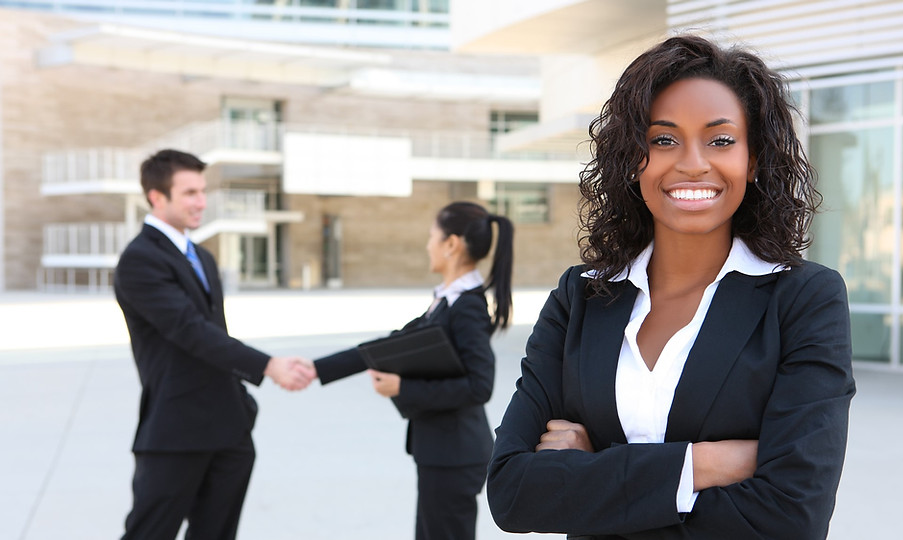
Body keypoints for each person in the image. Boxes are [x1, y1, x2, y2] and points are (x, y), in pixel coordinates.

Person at [485, 35, 856, 540]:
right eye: (663, 140)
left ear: (754, 158)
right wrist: (705, 463)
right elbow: (512, 493)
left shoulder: (803, 299)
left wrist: (597, 476)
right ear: (632, 159)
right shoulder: (581, 298)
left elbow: (792, 514)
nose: (692, 163)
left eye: (721, 140)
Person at [114, 148, 316, 540]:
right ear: (157, 197)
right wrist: (268, 365)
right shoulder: (140, 260)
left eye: (203, 191)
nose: (201, 202)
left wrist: (242, 401)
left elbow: (216, 333)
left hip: (229, 427)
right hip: (176, 428)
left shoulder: (202, 258)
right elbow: (191, 331)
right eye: (189, 192)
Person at [312, 201, 514, 540]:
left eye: (431, 236)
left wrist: (402, 388)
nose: (427, 245)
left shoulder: (467, 307)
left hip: (455, 455)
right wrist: (317, 369)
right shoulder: (448, 300)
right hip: (444, 451)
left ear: (451, 244)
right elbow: (393, 344)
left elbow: (480, 386)